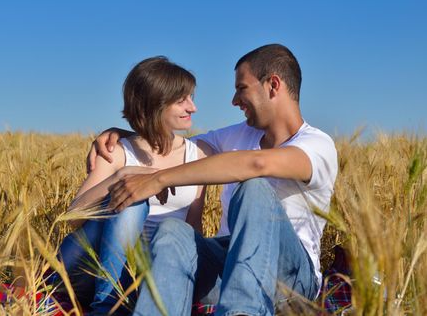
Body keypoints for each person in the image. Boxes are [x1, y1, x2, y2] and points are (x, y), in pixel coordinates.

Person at [89, 44, 338, 315]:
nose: (234, 101)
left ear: (273, 85)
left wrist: (159, 180)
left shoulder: (317, 144)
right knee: (172, 231)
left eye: (241, 88)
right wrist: (126, 133)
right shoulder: (237, 135)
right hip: (228, 267)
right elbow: (171, 148)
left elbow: (257, 163)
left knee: (254, 187)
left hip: (290, 280)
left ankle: (242, 311)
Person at [52, 56, 212, 315]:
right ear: (155, 103)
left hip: (147, 272)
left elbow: (194, 228)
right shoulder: (117, 152)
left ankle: (116, 303)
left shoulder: (197, 157)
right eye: (182, 100)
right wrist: (120, 176)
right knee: (132, 194)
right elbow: (72, 218)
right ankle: (107, 307)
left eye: (192, 97)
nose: (192, 107)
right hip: (86, 268)